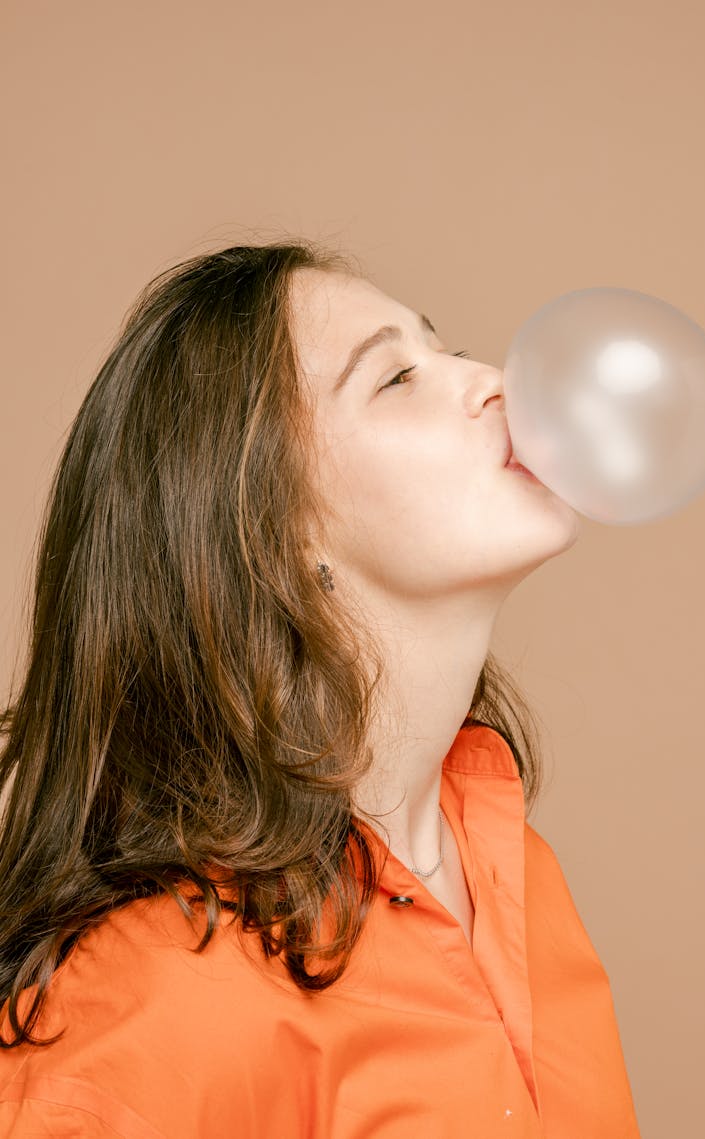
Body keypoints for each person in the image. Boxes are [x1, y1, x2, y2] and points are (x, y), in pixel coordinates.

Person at [0, 241, 641, 1137]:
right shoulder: (153, 999)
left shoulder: (519, 873)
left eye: (445, 347)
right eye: (395, 379)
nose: (495, 379)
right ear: (271, 530)